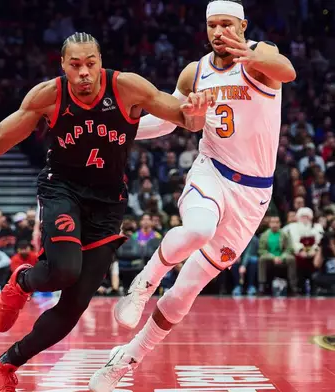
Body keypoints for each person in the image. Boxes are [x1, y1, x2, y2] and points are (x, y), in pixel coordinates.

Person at [0, 32, 213, 392]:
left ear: (100, 62)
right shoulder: (48, 96)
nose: (84, 72)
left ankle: (1, 366)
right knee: (64, 270)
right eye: (75, 65)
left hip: (108, 203)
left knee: (72, 311)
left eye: (90, 63)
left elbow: (186, 120)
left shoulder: (128, 87)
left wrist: (196, 112)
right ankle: (22, 281)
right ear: (63, 66)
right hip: (62, 190)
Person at [89, 1, 296, 390]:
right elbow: (169, 121)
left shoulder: (260, 57)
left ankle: (125, 358)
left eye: (227, 25)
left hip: (253, 195)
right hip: (212, 172)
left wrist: (250, 52)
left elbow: (288, 71)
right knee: (199, 228)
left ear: (243, 25)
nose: (219, 32)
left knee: (185, 294)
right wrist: (117, 130)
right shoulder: (194, 72)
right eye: (212, 25)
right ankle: (143, 284)